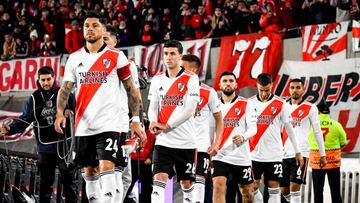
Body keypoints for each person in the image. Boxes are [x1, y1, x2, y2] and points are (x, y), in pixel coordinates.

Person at [54, 12, 146, 203]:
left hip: (111, 123)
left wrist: (136, 120)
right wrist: (60, 113)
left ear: (103, 30)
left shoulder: (116, 56)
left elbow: (132, 91)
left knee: (107, 166)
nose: (89, 28)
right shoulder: (74, 58)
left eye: (95, 25)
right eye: (86, 25)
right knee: (90, 171)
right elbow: (65, 88)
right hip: (84, 124)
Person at [0, 66, 78, 203]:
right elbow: (24, 120)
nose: (46, 83)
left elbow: (78, 112)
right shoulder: (33, 99)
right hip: (45, 148)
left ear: (54, 78)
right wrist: (10, 128)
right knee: (45, 185)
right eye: (43, 80)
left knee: (69, 183)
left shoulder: (65, 93)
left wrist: (70, 113)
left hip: (64, 147)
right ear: (38, 80)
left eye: (48, 79)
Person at [148, 40, 200, 203]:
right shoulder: (157, 80)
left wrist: (167, 125)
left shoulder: (191, 79)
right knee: (158, 182)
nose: (168, 57)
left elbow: (190, 110)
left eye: (172, 54)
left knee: (187, 185)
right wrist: (152, 122)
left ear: (180, 56)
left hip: (186, 142)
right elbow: (153, 106)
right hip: (163, 142)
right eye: (166, 53)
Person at [248, 73, 303, 203]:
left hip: (274, 154)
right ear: (257, 86)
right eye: (261, 90)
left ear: (272, 86)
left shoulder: (281, 104)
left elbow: (290, 129)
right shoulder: (249, 103)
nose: (264, 93)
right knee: (253, 187)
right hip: (254, 154)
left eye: (267, 90)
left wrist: (297, 151)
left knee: (274, 188)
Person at [103, 24, 141, 202]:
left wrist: (135, 120)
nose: (102, 42)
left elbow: (135, 95)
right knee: (99, 172)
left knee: (122, 173)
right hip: (98, 125)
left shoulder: (125, 62)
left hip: (120, 124)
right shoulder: (88, 61)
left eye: (106, 38)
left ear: (116, 41)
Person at [181, 54, 224, 203]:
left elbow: (219, 120)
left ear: (193, 70)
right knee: (185, 184)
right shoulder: (176, 89)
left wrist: (216, 143)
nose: (179, 70)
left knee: (199, 183)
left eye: (182, 67)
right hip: (181, 145)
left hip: (201, 146)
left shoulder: (208, 92)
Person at [212, 72, 257, 203]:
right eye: (224, 81)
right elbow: (209, 129)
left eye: (231, 81)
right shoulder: (213, 105)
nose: (228, 83)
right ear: (219, 85)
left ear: (236, 84)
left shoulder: (246, 103)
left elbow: (254, 128)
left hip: (241, 156)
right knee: (218, 185)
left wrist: (243, 136)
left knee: (247, 192)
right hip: (220, 155)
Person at [280, 78, 327, 203]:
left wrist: (323, 154)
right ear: (289, 90)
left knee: (295, 188)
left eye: (298, 87)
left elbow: (317, 132)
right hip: (282, 154)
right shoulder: (282, 106)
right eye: (292, 88)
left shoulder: (310, 108)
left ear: (303, 89)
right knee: (283, 191)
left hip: (301, 154)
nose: (295, 90)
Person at [309, 103, 347, 203]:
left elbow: (306, 141)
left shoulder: (311, 126)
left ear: (317, 112)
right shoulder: (336, 125)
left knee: (318, 192)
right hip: (333, 163)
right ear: (328, 112)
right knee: (335, 191)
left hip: (317, 163)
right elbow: (343, 142)